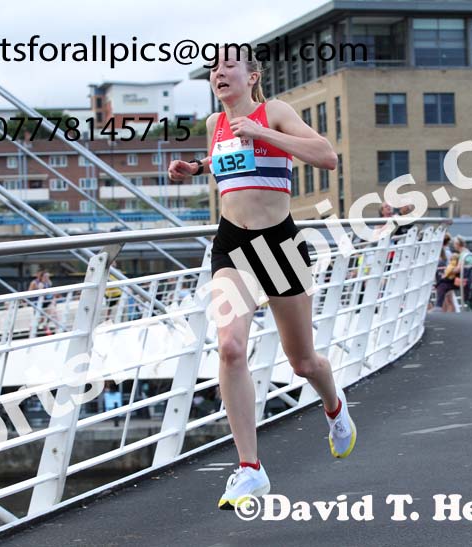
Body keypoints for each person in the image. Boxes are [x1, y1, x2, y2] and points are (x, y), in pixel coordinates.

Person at [167, 44, 355, 510]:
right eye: (214, 67)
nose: (219, 73)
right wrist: (195, 168)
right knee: (230, 348)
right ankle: (249, 469)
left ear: (252, 77)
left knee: (303, 362)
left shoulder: (275, 111)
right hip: (233, 245)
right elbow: (231, 162)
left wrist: (265, 132)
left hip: (281, 245)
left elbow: (327, 156)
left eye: (229, 65)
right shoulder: (214, 125)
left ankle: (334, 407)